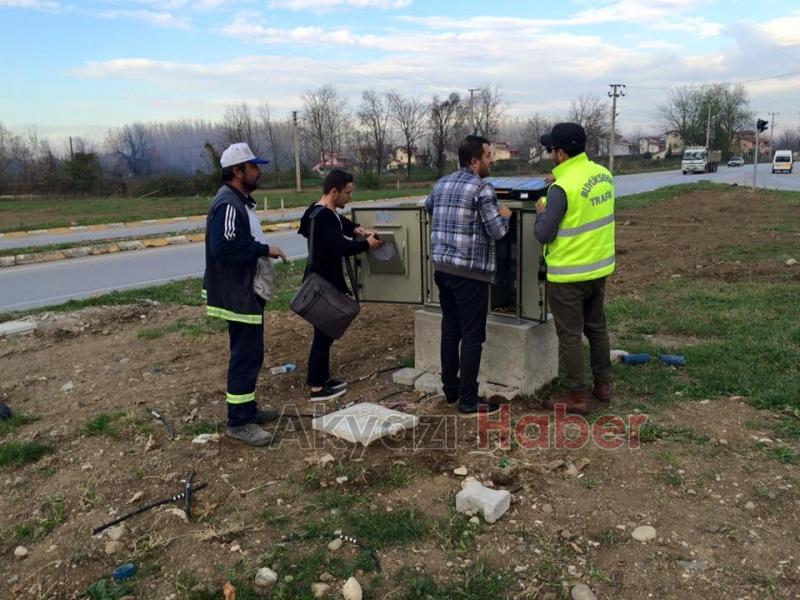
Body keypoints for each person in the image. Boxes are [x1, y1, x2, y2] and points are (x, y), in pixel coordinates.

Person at [203, 142, 288, 446]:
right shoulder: (228, 203)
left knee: (251, 353)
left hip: (244, 292)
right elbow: (223, 246)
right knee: (245, 356)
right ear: (238, 171)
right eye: (253, 167)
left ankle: (247, 410)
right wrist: (267, 249)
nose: (259, 172)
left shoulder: (239, 201)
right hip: (237, 294)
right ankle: (239, 423)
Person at [425, 135, 512, 417]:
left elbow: (429, 207)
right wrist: (506, 215)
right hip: (470, 274)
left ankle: (450, 390)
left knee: (451, 330)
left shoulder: (441, 183)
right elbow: (497, 232)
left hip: (442, 268)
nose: (492, 160)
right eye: (489, 156)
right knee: (473, 335)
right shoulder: (481, 188)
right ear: (475, 161)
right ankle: (468, 401)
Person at [534, 123, 615, 415]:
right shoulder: (603, 175)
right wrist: (557, 180)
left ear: (560, 153)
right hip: (599, 269)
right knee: (596, 327)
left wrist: (541, 211)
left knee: (569, 334)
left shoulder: (560, 190)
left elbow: (544, 234)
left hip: (568, 274)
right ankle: (603, 385)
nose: (551, 154)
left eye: (552, 150)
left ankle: (578, 396)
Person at [298, 169, 382, 401]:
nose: (349, 198)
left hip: (317, 279)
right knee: (323, 336)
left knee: (324, 334)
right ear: (334, 192)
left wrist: (355, 228)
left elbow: (329, 225)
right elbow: (340, 247)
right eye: (347, 193)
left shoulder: (315, 212)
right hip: (325, 282)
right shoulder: (325, 217)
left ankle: (322, 378)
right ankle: (317, 388)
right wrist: (366, 244)